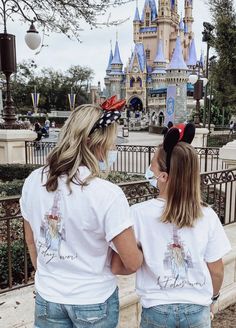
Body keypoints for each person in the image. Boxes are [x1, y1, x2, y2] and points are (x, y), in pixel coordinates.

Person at [20, 98, 143, 328]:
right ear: (92, 143)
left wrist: (51, 275)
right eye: (110, 143)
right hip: (93, 299)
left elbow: (31, 240)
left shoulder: (32, 182)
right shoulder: (107, 194)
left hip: (48, 297)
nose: (112, 149)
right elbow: (132, 262)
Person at [112, 123, 231, 328]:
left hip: (156, 309)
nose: (149, 169)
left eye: (152, 166)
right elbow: (217, 270)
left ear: (164, 177)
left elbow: (122, 262)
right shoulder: (207, 215)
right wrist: (213, 298)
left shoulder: (138, 214)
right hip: (197, 309)